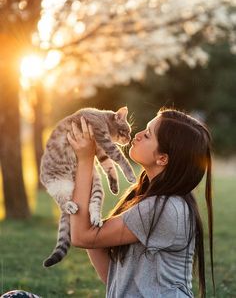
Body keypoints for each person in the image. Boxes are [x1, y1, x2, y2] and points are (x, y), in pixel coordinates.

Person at [66, 107, 215, 298]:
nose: (138, 134)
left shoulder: (162, 209)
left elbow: (81, 237)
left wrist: (85, 161)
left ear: (162, 158)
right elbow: (114, 276)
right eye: (145, 128)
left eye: (148, 135)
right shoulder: (152, 199)